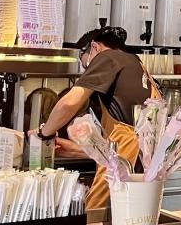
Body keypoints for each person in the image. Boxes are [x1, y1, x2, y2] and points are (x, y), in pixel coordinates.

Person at [38, 25, 160, 206]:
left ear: (94, 47)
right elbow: (126, 138)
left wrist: (44, 133)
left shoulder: (107, 57)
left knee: (95, 216)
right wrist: (80, 150)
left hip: (121, 167)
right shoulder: (137, 64)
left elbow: (69, 103)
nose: (87, 70)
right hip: (145, 169)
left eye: (85, 64)